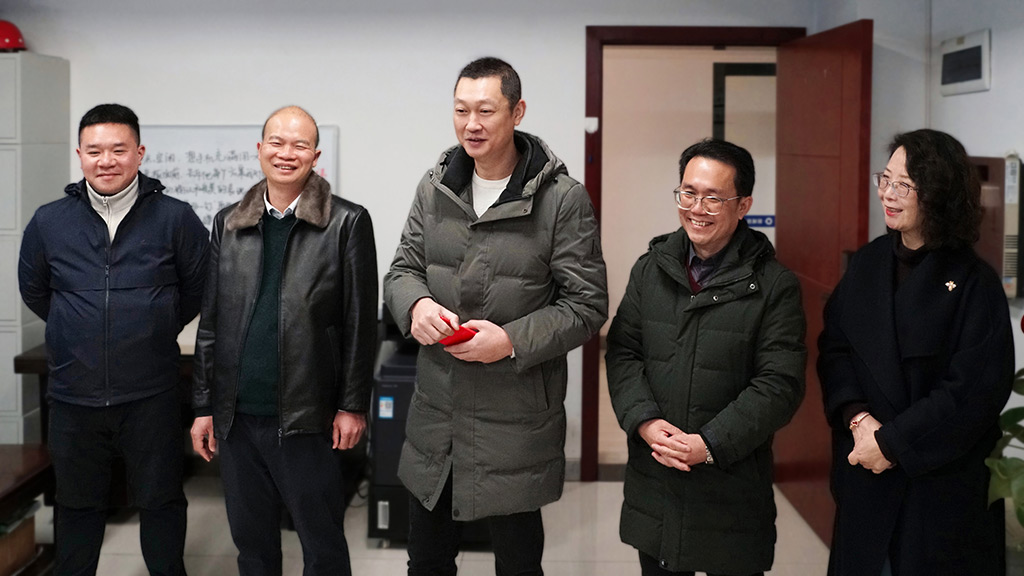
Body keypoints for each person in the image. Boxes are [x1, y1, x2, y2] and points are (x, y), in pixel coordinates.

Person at [384, 56, 608, 575]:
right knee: (427, 561)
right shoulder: (435, 187)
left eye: (486, 110)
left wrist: (509, 341)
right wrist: (415, 304)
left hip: (515, 420)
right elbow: (401, 271)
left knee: (517, 564)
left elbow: (587, 304)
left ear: (517, 112)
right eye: (461, 110)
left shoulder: (561, 199)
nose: (471, 124)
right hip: (438, 413)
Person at [18, 103, 209, 576]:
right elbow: (35, 290)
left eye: (119, 150)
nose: (106, 161)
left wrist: (153, 323)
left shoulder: (175, 218)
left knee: (161, 500)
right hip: (73, 395)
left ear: (139, 153)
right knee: (76, 505)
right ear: (80, 155)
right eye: (95, 151)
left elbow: (197, 289)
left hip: (151, 393)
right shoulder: (49, 221)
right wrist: (77, 326)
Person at [189, 105, 377, 576]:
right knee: (252, 548)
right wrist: (203, 406)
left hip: (306, 415)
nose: (286, 153)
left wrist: (353, 405)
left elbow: (359, 324)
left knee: (322, 545)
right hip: (237, 419)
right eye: (276, 142)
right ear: (260, 149)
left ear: (315, 156)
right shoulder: (228, 223)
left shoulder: (346, 223)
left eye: (299, 145)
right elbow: (211, 323)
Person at [605, 138, 806, 576]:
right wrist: (645, 422)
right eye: (688, 193)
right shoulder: (650, 269)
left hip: (730, 490)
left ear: (743, 205)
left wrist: (710, 444)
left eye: (713, 198)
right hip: (656, 481)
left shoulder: (774, 286)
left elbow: (779, 385)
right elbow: (623, 352)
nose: (697, 208)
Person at [819, 129, 1014, 575]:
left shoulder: (975, 283)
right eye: (885, 179)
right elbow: (835, 349)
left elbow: (971, 393)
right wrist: (858, 418)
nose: (887, 194)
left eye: (904, 185)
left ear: (938, 194)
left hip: (936, 491)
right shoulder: (867, 263)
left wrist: (891, 443)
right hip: (865, 470)